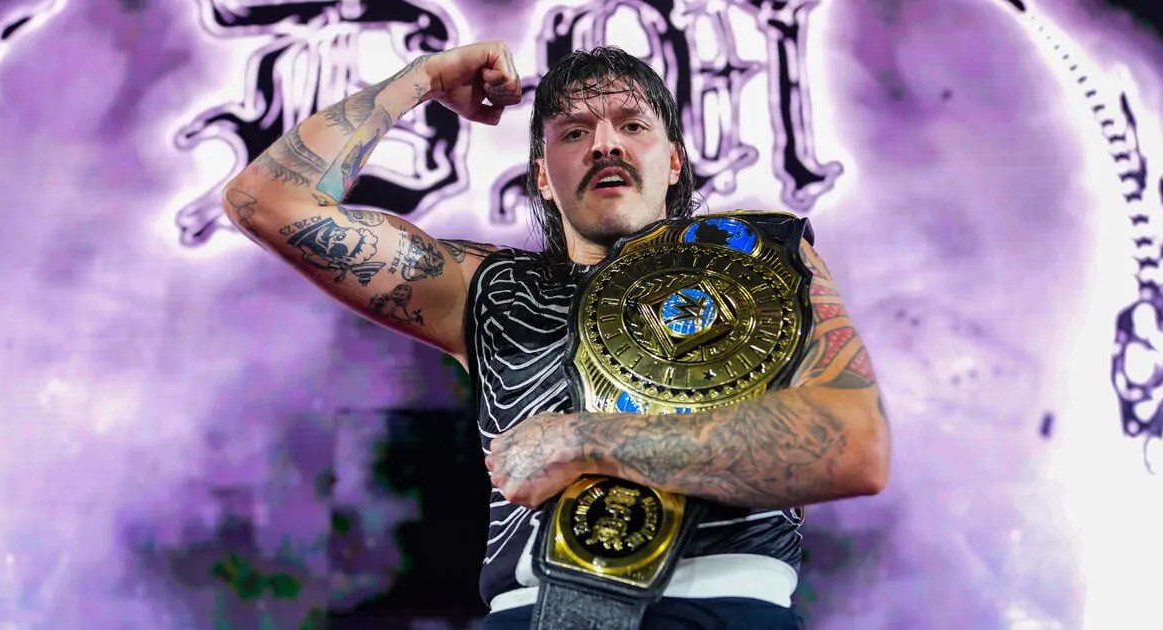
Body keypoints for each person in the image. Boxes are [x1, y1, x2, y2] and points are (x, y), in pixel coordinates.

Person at [223, 41, 891, 628]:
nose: (605, 144)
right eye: (573, 133)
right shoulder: (487, 289)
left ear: (674, 162)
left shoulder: (762, 257)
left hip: (724, 602)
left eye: (633, 125)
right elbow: (267, 201)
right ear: (543, 176)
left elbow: (856, 447)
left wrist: (586, 441)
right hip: (530, 612)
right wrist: (422, 78)